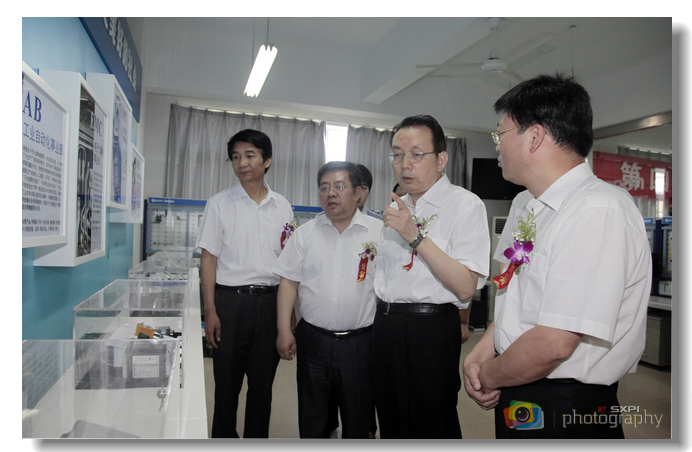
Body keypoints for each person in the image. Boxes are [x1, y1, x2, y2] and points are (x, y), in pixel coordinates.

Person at [463, 74, 652, 439]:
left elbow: (554, 342)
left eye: (500, 135)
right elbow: (514, 295)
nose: (497, 146)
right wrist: (480, 354)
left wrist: (489, 374)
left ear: (534, 136)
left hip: (566, 402)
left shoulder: (597, 209)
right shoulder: (525, 203)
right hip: (517, 380)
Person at [372, 115, 490, 439]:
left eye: (416, 154)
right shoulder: (399, 207)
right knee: (391, 421)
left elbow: (465, 286)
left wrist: (415, 236)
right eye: (397, 155)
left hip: (429, 329)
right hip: (386, 326)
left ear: (441, 160)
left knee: (432, 425)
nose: (404, 164)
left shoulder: (465, 205)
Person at [274, 161, 383, 438]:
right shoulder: (305, 234)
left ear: (358, 193)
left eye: (339, 186)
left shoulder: (379, 233)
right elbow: (288, 282)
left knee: (358, 420)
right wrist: (284, 330)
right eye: (324, 187)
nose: (330, 193)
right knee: (313, 419)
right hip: (314, 341)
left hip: (361, 343)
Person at [196, 129, 293, 438]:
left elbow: (289, 263)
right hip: (230, 304)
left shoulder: (282, 206)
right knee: (226, 384)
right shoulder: (219, 204)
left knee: (262, 386)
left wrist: (288, 314)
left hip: (271, 303)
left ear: (267, 161)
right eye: (236, 157)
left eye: (250, 155)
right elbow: (208, 259)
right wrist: (210, 311)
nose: (242, 163)